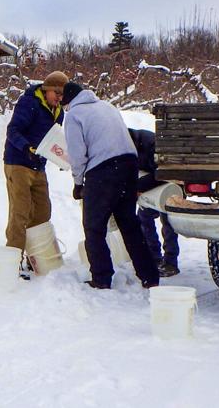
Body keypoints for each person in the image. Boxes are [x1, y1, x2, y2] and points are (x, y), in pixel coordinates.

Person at [62, 82, 160, 289]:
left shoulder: (73, 115)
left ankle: (101, 278)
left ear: (67, 102)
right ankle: (150, 276)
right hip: (129, 165)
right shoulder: (106, 106)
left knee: (94, 227)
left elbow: (78, 155)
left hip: (103, 171)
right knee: (129, 224)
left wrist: (78, 184)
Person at [3, 71, 67, 275]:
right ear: (46, 89)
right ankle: (12, 261)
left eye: (62, 94)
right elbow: (13, 130)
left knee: (42, 211)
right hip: (18, 162)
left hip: (38, 165)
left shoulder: (59, 112)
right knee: (20, 212)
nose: (59, 97)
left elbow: (54, 139)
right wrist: (26, 148)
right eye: (56, 92)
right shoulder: (29, 103)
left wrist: (61, 157)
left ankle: (37, 256)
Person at [129, 128, 180, 277]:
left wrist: (137, 187)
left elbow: (162, 173)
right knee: (144, 216)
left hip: (170, 181)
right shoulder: (127, 146)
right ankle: (154, 257)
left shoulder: (151, 143)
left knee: (168, 220)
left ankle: (171, 261)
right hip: (149, 184)